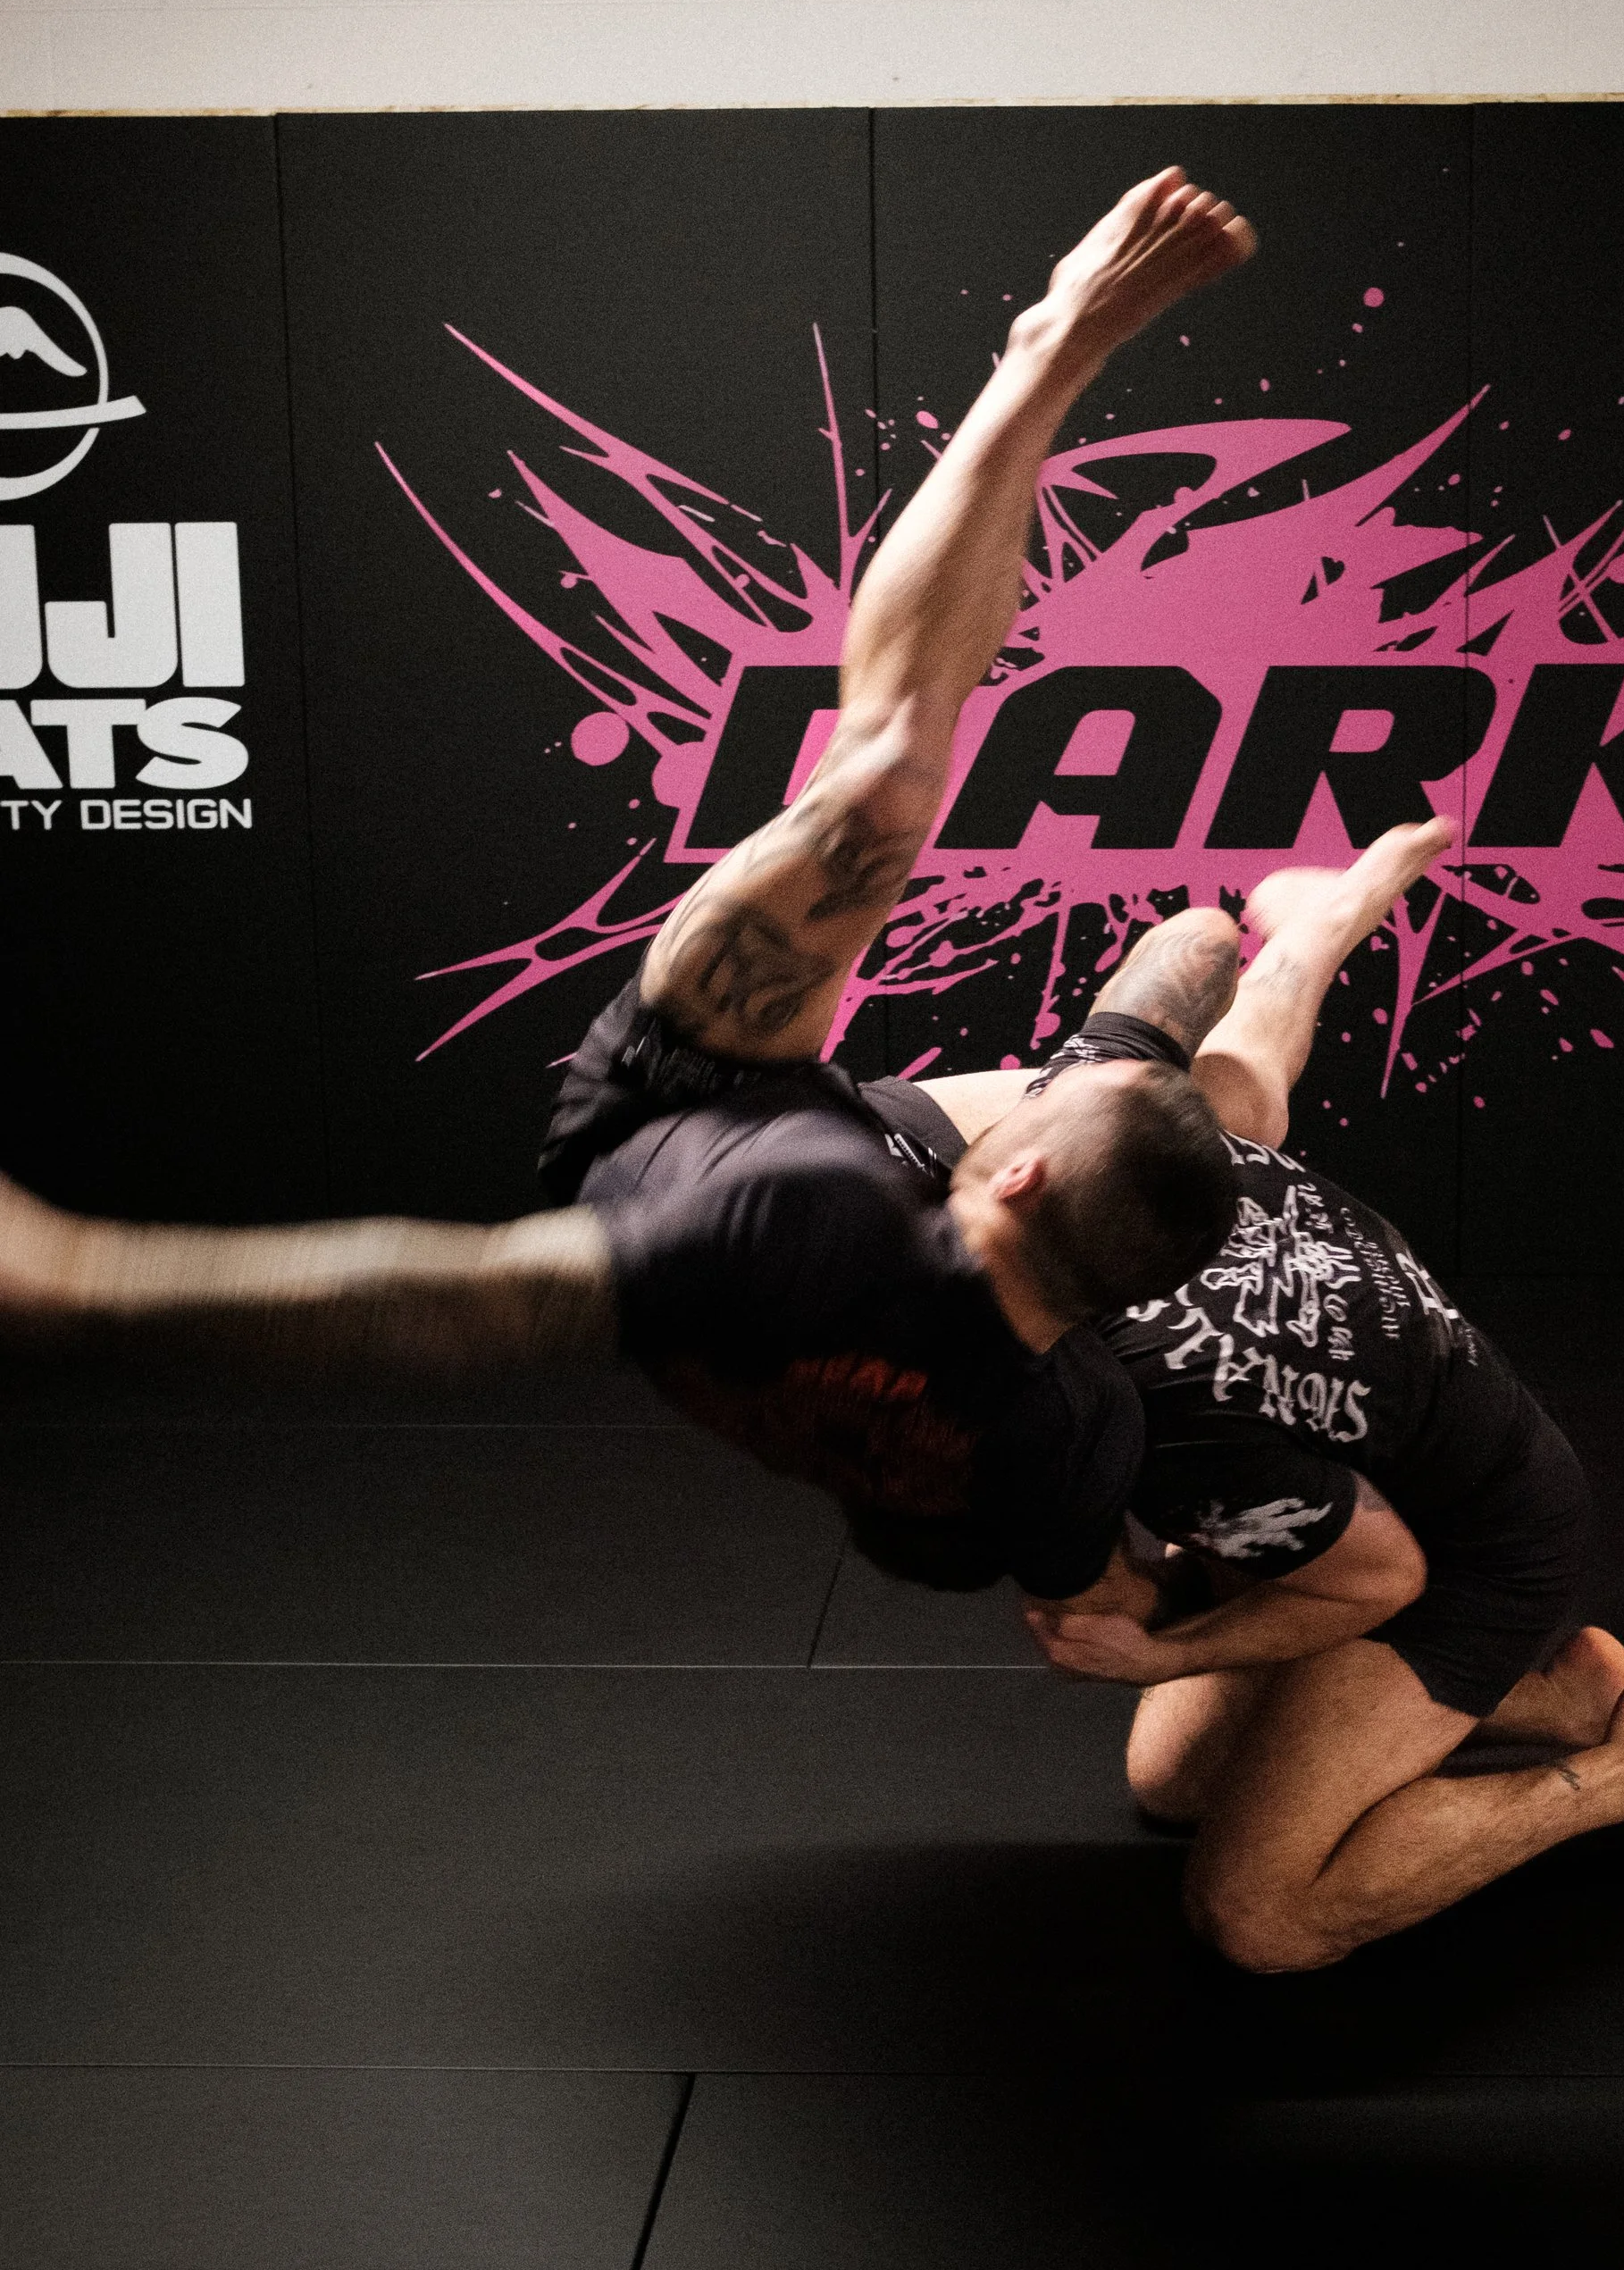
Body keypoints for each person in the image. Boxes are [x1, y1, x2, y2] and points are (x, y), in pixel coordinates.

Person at [0, 168, 1257, 1604]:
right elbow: (1081, 1600)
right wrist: (1241, 937)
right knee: (1233, 1106)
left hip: (687, 1102)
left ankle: (1046, 359)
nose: (1038, 1084)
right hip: (886, 1251)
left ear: (1016, 1159)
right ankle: (1244, 945)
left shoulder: (806, 1216)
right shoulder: (1062, 1434)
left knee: (894, 770)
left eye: (1046, 1097)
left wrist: (78, 1277)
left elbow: (446, 1302)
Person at [898, 826, 1624, 1971]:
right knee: (1169, 1781)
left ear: (1020, 1187)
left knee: (1258, 1916)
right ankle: (1566, 1693)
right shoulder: (1124, 1141)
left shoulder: (1175, 1410)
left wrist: (1162, 1657)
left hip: (1468, 1548)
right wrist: (1323, 926)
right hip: (1349, 1456)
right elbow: (1241, 1046)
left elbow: (1379, 1575)